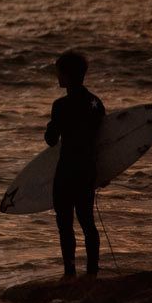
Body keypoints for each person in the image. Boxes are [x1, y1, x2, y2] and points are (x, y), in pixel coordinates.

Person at [45, 50, 104, 277]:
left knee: (65, 224)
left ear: (67, 75)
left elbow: (52, 141)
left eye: (59, 72)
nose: (57, 77)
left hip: (67, 170)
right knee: (88, 222)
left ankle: (70, 272)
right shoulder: (95, 102)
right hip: (87, 169)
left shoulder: (61, 105)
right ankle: (92, 272)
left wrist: (51, 126)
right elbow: (103, 142)